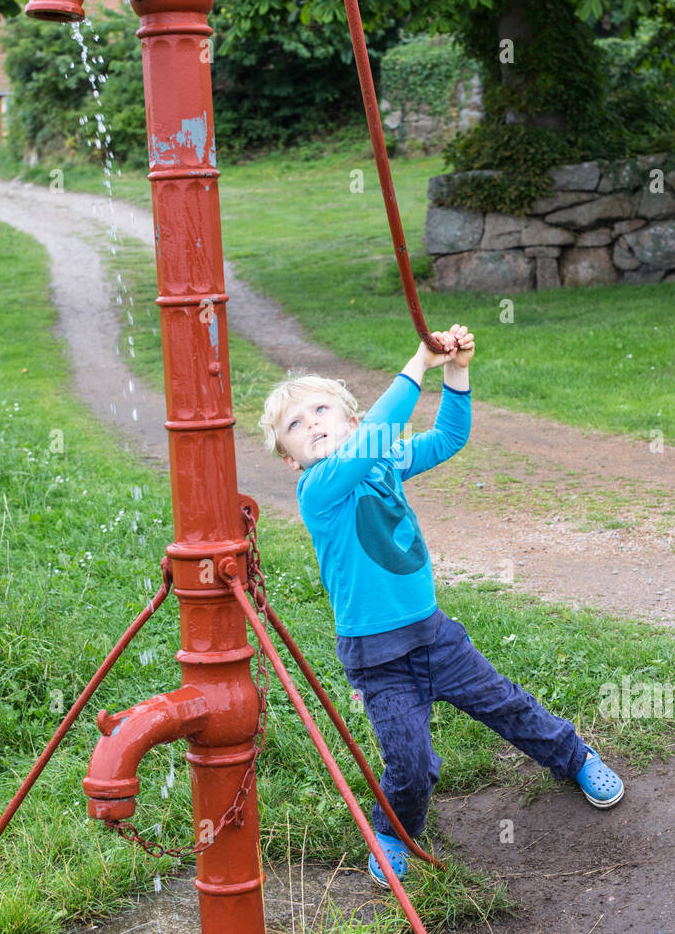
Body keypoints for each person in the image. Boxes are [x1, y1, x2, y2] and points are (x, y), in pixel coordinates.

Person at [258, 324, 624, 889]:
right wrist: (419, 361)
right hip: (376, 657)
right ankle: (395, 830)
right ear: (289, 458)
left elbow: (449, 438)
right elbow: (377, 431)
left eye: (321, 411)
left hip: (433, 636)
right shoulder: (319, 490)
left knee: (505, 704)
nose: (312, 426)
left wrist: (456, 369)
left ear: (350, 421)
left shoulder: (384, 463)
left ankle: (573, 758)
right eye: (295, 426)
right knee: (411, 764)